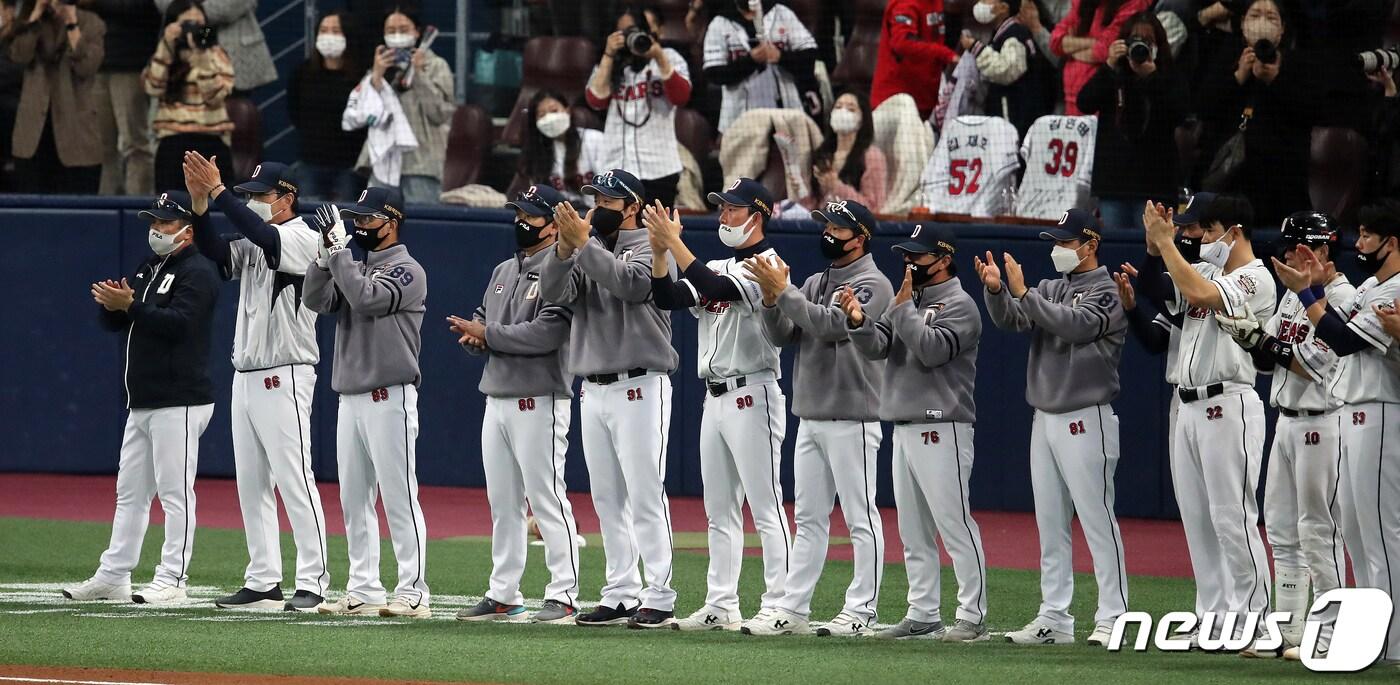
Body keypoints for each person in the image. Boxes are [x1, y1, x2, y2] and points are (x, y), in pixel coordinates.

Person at [179, 155, 332, 613]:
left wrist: (220, 192)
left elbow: (266, 237)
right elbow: (214, 251)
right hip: (246, 375)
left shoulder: (305, 236)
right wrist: (201, 205)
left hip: (286, 371)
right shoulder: (255, 236)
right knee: (251, 483)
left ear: (287, 198)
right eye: (250, 195)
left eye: (262, 194)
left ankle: (314, 579)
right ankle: (264, 579)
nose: (253, 202)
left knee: (294, 477)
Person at [643, 178, 792, 632]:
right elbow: (668, 296)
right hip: (716, 396)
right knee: (719, 509)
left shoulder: (768, 265)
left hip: (754, 393)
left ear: (757, 216)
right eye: (722, 208)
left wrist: (675, 243)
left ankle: (781, 605)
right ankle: (721, 604)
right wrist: (660, 252)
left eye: (732, 209)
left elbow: (718, 289)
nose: (724, 216)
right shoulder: (717, 262)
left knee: (766, 505)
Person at [977, 208, 1128, 647]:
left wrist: (1024, 294)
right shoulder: (1051, 287)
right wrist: (997, 291)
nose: (1058, 249)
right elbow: (1013, 319)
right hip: (1044, 417)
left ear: (1091, 244)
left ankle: (1114, 616)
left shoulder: (1109, 291)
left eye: (1065, 242)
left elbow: (1076, 327)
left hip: (1087, 415)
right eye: (1056, 242)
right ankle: (1054, 618)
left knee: (1097, 519)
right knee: (1050, 523)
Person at [537, 169, 680, 629]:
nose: (597, 208)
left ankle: (660, 594)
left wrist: (582, 245)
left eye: (607, 201)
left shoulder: (653, 245)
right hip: (594, 386)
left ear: (632, 206)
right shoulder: (589, 246)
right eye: (595, 200)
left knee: (644, 492)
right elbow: (554, 292)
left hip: (640, 383)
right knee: (607, 497)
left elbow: (631, 285)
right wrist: (563, 249)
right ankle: (621, 592)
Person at [742, 200, 892, 637]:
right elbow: (783, 335)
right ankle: (793, 609)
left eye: (836, 227)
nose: (827, 232)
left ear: (859, 237)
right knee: (808, 519)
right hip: (810, 414)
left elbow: (831, 325)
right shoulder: (815, 281)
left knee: (860, 518)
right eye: (826, 224)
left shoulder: (874, 284)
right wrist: (772, 299)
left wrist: (785, 293)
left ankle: (862, 610)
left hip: (853, 415)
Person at [63, 190, 219, 605]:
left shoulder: (199, 271)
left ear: (188, 230)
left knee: (174, 492)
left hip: (180, 398)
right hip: (144, 398)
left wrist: (130, 306)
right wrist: (112, 306)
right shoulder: (150, 265)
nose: (156, 229)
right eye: (154, 222)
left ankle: (174, 579)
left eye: (165, 222)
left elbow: (179, 325)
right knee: (130, 492)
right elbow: (120, 323)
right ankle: (114, 575)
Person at [1138, 195, 1275, 644]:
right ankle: (1212, 618)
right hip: (1189, 406)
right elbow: (1157, 287)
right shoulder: (1206, 270)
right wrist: (1154, 246)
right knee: (1198, 519)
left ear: (1235, 232)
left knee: (1232, 517)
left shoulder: (1256, 278)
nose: (1202, 238)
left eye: (1210, 230)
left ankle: (1254, 620)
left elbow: (1199, 295)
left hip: (1228, 403)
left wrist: (1167, 245)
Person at [1215, 211, 1353, 657]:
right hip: (1287, 421)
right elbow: (1267, 359)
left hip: (1322, 423)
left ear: (1319, 249)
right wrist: (1247, 336)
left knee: (1318, 531)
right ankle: (1289, 628)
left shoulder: (1342, 297)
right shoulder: (1295, 294)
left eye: (1295, 248)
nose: (1288, 256)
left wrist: (1259, 338)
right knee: (1280, 529)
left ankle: (1331, 633)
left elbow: (1310, 365)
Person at [1268, 201, 1400, 665]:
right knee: (1353, 535)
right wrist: (1310, 293)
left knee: (1375, 533)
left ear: (1392, 242)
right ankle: (1363, 635)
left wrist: (1306, 294)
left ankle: (1385, 642)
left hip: (1372, 413)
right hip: (1346, 415)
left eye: (1367, 236)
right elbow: (1328, 331)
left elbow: (1336, 343)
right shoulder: (1367, 288)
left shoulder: (1387, 289)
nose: (1357, 243)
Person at [845, 225, 990, 642]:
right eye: (907, 254)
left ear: (943, 259)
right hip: (905, 423)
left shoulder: (961, 305)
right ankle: (923, 612)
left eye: (918, 255)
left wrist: (903, 308)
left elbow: (931, 350)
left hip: (943, 425)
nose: (909, 262)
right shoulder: (909, 301)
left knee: (954, 524)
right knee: (913, 531)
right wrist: (859, 321)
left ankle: (973, 615)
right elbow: (878, 346)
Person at [447, 185, 582, 625]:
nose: (520, 221)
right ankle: (503, 593)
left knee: (547, 498)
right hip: (498, 396)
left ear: (553, 224)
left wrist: (488, 334)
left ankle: (564, 594)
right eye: (518, 213)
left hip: (539, 397)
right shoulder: (505, 268)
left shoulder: (562, 268)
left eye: (529, 215)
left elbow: (548, 334)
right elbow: (483, 318)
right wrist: (475, 336)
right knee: (503, 503)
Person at [304, 187, 432, 619]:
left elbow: (367, 299)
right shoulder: (353, 266)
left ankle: (414, 590)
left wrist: (339, 253)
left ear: (390, 223)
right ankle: (363, 587)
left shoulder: (408, 269)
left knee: (399, 496)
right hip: (352, 396)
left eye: (366, 219)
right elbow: (316, 299)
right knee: (354, 499)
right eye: (355, 219)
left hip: (389, 394)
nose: (359, 226)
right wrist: (324, 258)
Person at [1196, 0, 1313, 225]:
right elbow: (1204, 107)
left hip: (1281, 184)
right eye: (1255, 15)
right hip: (1230, 184)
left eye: (1271, 17)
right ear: (1242, 23)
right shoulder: (1226, 57)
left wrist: (1275, 80)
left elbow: (1309, 111)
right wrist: (1237, 77)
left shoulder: (1297, 63)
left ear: (1282, 29)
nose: (1262, 23)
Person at [1076, 12, 1189, 232]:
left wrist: (1152, 78)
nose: (1140, 47)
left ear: (1158, 46)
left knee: (1155, 247)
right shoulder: (1114, 74)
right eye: (1134, 40)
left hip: (1156, 185)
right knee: (1116, 248)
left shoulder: (1170, 76)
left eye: (1147, 41)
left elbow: (1180, 113)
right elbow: (1084, 103)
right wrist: (1109, 65)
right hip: (1114, 184)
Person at [585, 7, 691, 209]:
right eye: (623, 32)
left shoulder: (670, 56)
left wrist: (659, 57)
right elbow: (595, 100)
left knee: (655, 228)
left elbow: (681, 97)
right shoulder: (611, 63)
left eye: (633, 30)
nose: (628, 37)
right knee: (613, 228)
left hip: (659, 167)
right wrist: (608, 55)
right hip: (615, 166)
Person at [351, 8, 455, 205]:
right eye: (391, 30)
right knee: (377, 220)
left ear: (417, 32)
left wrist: (419, 74)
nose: (397, 35)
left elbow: (440, 113)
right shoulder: (378, 69)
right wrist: (376, 76)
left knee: (420, 222)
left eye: (403, 29)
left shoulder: (436, 66)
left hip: (421, 165)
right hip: (383, 163)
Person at [8, 0, 105, 194]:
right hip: (32, 133)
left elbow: (87, 67)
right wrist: (35, 15)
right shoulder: (29, 20)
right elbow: (19, 56)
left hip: (76, 133)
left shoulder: (91, 22)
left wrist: (71, 24)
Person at [144, 0, 235, 194]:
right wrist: (166, 46)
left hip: (211, 138)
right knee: (172, 204)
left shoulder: (217, 54)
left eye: (199, 24)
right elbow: (153, 88)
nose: (193, 29)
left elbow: (215, 97)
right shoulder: (166, 53)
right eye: (187, 24)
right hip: (173, 140)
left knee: (218, 203)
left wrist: (202, 58)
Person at [702, 0, 819, 133]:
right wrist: (751, 60)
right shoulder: (719, 23)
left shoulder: (781, 13)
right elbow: (714, 73)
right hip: (740, 118)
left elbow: (810, 58)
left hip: (786, 110)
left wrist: (780, 56)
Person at [289, 11, 367, 203]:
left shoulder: (361, 75)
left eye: (335, 31)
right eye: (323, 31)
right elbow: (294, 112)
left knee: (345, 217)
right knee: (308, 216)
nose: (329, 36)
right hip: (311, 161)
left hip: (349, 165)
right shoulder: (303, 73)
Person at [87, 0, 159, 196]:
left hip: (130, 63)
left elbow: (143, 8)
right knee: (102, 146)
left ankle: (138, 204)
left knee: (134, 143)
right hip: (97, 63)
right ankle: (106, 205)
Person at [781, 90, 887, 214]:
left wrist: (836, 186)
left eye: (851, 109)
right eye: (838, 107)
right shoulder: (823, 154)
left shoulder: (872, 156)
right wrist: (800, 191)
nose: (842, 112)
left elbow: (872, 209)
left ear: (862, 120)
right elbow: (814, 205)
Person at [964, 0, 1053, 136]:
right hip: (1008, 110)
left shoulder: (1015, 34)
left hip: (1016, 114)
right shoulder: (1001, 32)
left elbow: (1006, 70)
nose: (981, 3)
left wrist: (976, 48)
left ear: (1003, 7)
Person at [1050, 0, 1151, 115]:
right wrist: (1094, 42)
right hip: (1071, 99)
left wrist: (1071, 48)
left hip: (1106, 101)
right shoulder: (1081, 3)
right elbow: (1055, 42)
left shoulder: (1134, 3)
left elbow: (1104, 50)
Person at [153, 0, 274, 96]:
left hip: (233, 54)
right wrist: (184, 10)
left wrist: (201, 12)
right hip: (182, 51)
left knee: (235, 113)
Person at [513, 89, 605, 206]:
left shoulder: (594, 139)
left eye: (554, 111)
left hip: (595, 212)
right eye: (542, 115)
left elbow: (608, 187)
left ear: (567, 111)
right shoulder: (536, 153)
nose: (549, 118)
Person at [870, 0, 959, 120]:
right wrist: (946, 54)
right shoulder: (904, 3)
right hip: (895, 102)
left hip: (925, 99)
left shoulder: (936, 2)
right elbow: (902, 42)